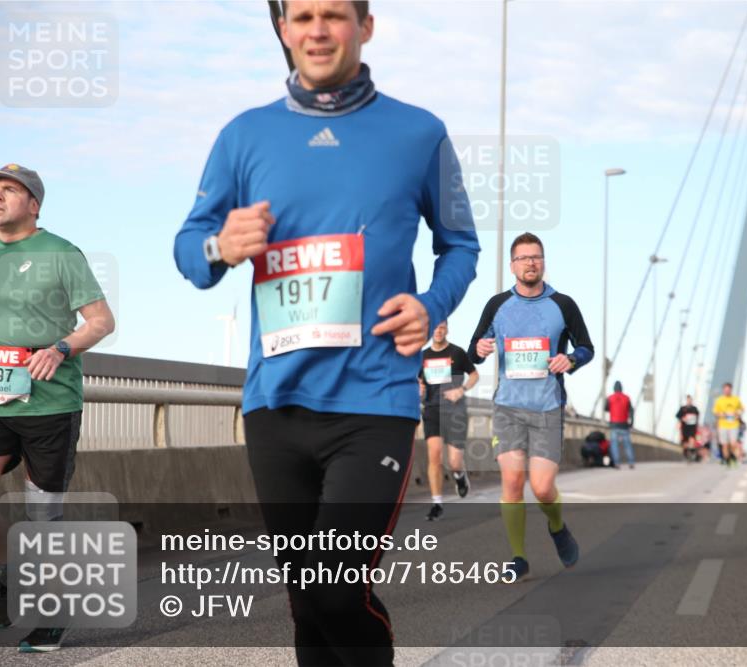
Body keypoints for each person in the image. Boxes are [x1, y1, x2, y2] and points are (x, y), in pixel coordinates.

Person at [173, 2, 480, 663]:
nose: (318, 30)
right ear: (284, 30)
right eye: (304, 15)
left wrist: (431, 304)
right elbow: (189, 251)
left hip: (374, 401)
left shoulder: (418, 133)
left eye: (335, 14)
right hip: (275, 404)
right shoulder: (244, 135)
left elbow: (461, 245)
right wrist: (220, 246)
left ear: (365, 27)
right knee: (306, 601)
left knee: (336, 592)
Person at [0, 164, 115, 652]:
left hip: (49, 403)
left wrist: (61, 349)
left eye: (10, 190)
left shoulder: (61, 253)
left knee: (42, 517)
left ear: (33, 204)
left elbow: (101, 320)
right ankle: (13, 568)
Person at [468, 232, 593, 582]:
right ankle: (519, 558)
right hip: (507, 407)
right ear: (512, 265)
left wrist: (571, 359)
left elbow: (586, 347)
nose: (530, 263)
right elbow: (473, 348)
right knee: (512, 481)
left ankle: (557, 526)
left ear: (543, 262)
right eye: (523, 258)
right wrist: (478, 350)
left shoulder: (563, 304)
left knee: (541, 488)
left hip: (547, 408)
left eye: (536, 257)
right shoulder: (497, 305)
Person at [419, 321, 478, 520]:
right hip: (432, 410)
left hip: (455, 411)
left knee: (454, 462)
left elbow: (474, 375)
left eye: (442, 327)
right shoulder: (423, 356)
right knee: (434, 456)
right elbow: (417, 380)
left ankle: (460, 476)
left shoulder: (457, 353)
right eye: (435, 327)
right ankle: (437, 504)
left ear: (447, 329)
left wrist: (461, 390)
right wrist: (418, 388)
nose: (438, 331)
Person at [604, 380, 635, 469]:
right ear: (621, 388)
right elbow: (631, 411)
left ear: (614, 388)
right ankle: (631, 462)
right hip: (624, 425)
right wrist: (631, 423)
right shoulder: (627, 398)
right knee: (627, 445)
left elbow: (605, 408)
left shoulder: (610, 398)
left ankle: (617, 463)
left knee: (614, 445)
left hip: (614, 425)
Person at [712, 382, 744, 467]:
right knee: (725, 444)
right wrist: (721, 414)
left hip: (734, 424)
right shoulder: (719, 400)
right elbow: (715, 412)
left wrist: (737, 413)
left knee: (733, 443)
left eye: (728, 389)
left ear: (731, 390)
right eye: (725, 389)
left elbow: (741, 409)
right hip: (723, 425)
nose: (727, 391)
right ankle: (727, 460)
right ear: (723, 390)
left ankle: (734, 458)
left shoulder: (736, 399)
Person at [676, 395, 700, 462]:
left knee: (691, 439)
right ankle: (686, 453)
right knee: (685, 443)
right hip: (685, 427)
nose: (689, 401)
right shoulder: (682, 408)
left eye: (690, 400)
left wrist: (697, 425)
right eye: (688, 400)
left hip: (692, 427)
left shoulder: (695, 408)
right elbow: (678, 416)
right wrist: (682, 419)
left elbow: (697, 416)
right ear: (686, 400)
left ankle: (691, 453)